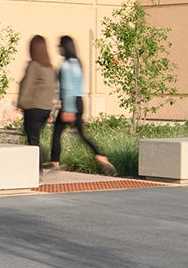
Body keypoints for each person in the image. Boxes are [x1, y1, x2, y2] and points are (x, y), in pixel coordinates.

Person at [50, 36, 114, 175]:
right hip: (80, 101)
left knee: (57, 133)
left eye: (60, 46)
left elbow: (67, 88)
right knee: (80, 133)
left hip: (70, 102)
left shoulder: (66, 65)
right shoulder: (77, 63)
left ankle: (54, 163)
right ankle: (100, 155)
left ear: (64, 47)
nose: (58, 49)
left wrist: (68, 109)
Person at [15, 35, 59, 167]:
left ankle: (36, 171)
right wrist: (51, 110)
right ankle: (37, 168)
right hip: (45, 109)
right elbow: (52, 89)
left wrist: (19, 105)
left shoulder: (34, 65)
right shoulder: (50, 67)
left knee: (33, 142)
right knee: (35, 140)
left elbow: (27, 86)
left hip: (33, 108)